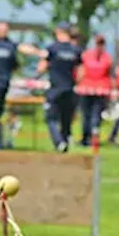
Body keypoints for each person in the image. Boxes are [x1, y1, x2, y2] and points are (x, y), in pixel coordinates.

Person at [37, 23, 81, 152]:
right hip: (69, 88)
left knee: (50, 118)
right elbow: (80, 71)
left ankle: (58, 142)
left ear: (58, 32)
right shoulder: (76, 50)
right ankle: (65, 143)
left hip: (55, 88)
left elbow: (41, 68)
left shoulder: (52, 49)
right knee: (66, 119)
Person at [77, 35, 112, 147]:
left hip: (100, 90)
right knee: (87, 115)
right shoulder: (87, 56)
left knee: (94, 115)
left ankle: (92, 138)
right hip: (88, 88)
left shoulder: (106, 57)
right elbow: (81, 72)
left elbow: (110, 75)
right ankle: (86, 137)